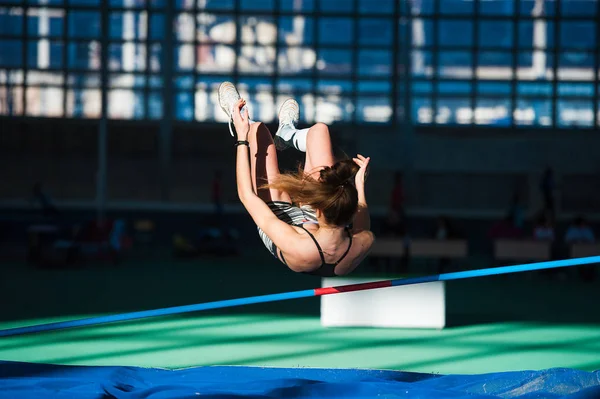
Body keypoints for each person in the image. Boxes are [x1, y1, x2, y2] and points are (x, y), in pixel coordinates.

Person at [218, 82, 374, 277]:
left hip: (281, 222)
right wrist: (358, 184)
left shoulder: (295, 244)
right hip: (317, 227)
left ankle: (238, 120)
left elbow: (247, 196)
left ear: (319, 208)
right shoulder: (363, 241)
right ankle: (287, 133)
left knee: (257, 131)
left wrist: (242, 138)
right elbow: (363, 224)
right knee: (320, 132)